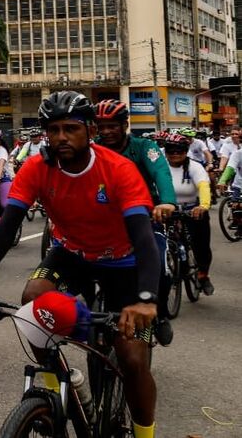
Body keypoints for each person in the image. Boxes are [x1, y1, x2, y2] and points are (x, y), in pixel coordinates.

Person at [0, 92, 161, 438]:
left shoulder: (118, 169)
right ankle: (61, 380)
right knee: (32, 301)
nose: (61, 137)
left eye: (71, 128)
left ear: (90, 130)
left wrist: (145, 300)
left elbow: (144, 239)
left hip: (123, 262)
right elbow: (7, 227)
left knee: (131, 358)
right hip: (72, 254)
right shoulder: (38, 168)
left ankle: (146, 434)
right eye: (53, 129)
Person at [93, 99, 178, 344]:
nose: (107, 131)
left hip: (145, 216)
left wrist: (167, 202)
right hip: (104, 219)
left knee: (159, 266)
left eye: (112, 126)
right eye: (101, 126)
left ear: (125, 124)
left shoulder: (144, 147)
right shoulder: (93, 149)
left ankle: (158, 313)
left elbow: (161, 172)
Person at [159, 133, 215, 296]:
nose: (175, 154)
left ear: (186, 151)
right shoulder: (160, 166)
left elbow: (204, 186)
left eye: (179, 150)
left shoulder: (194, 167)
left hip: (193, 210)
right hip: (166, 210)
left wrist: (203, 206)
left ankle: (203, 275)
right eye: (171, 150)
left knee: (202, 245)